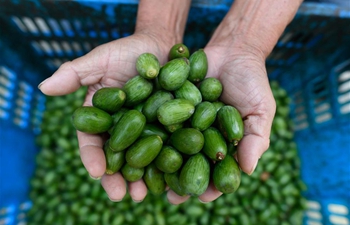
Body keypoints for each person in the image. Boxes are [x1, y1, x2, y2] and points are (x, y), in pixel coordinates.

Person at [38, 0, 303, 204]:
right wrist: (158, 28)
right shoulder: (165, 113)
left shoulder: (189, 113)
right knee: (175, 135)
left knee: (187, 138)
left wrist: (246, 46)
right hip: (166, 119)